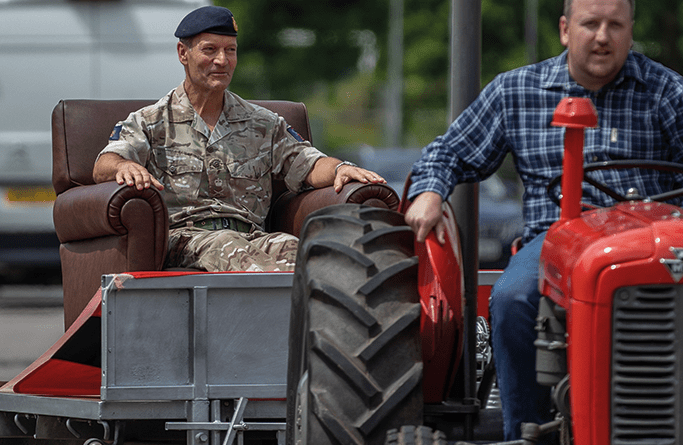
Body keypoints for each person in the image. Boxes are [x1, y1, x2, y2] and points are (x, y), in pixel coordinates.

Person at [405, 0, 683, 442]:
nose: (602, 36)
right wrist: (430, 191)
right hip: (556, 240)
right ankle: (528, 431)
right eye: (590, 24)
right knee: (514, 298)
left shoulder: (667, 93)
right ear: (565, 29)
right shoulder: (517, 90)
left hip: (650, 241)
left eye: (615, 25)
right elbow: (449, 151)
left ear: (631, 31)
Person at [93, 5, 385, 273]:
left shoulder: (262, 123)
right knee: (228, 247)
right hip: (186, 238)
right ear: (183, 53)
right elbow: (104, 164)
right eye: (210, 50)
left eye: (230, 50)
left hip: (253, 236)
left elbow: (308, 163)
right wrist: (122, 167)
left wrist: (339, 169)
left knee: (305, 252)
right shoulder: (151, 121)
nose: (222, 61)